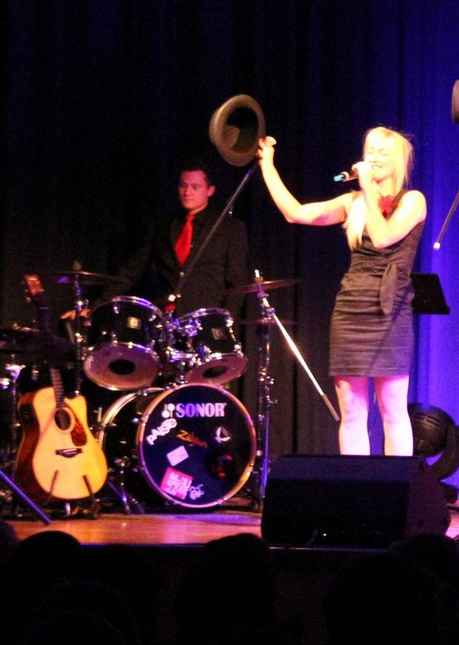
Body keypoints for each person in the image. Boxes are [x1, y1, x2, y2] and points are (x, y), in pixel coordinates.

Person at [257, 128, 427, 455]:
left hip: (390, 310)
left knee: (392, 409)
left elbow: (383, 237)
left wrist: (367, 190)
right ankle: (357, 482)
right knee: (352, 412)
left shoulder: (413, 200)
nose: (374, 158)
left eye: (382, 153)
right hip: (351, 308)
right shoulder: (353, 203)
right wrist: (268, 166)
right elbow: (296, 213)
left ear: (398, 162)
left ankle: (395, 484)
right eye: (370, 151)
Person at [109, 161, 251, 315]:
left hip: (205, 320)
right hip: (165, 317)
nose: (187, 192)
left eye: (195, 187)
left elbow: (237, 284)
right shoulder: (164, 226)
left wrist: (226, 322)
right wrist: (101, 302)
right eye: (183, 186)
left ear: (210, 190)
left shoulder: (229, 228)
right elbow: (133, 270)